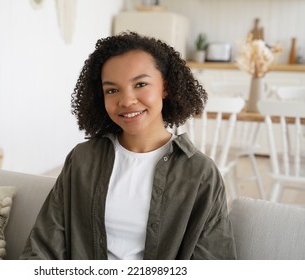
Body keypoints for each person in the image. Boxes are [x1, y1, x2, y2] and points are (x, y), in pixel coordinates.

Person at [20, 32, 237, 260]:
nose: (126, 101)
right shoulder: (82, 160)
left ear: (165, 86)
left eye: (140, 84)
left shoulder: (200, 173)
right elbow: (43, 247)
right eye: (112, 90)